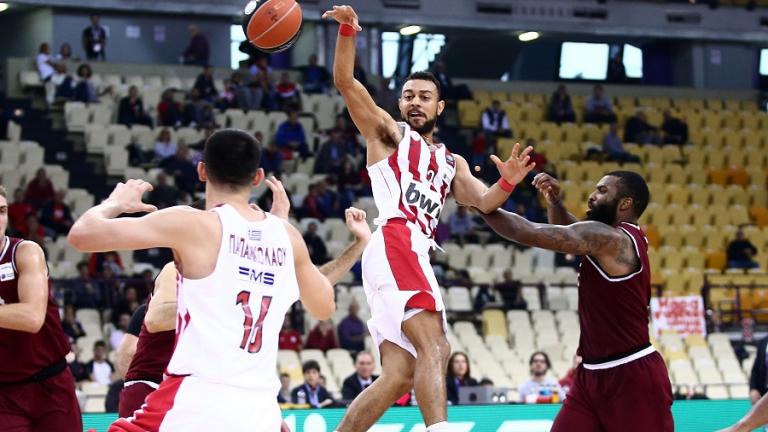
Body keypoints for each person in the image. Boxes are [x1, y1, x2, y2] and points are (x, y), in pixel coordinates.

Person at [324, 5, 534, 431]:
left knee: (399, 373)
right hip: (398, 239)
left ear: (441, 106)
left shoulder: (450, 161)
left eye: (424, 97)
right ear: (399, 103)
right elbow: (345, 83)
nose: (414, 103)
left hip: (404, 253)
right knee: (436, 345)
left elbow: (485, 202)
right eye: (408, 96)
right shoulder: (389, 134)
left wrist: (508, 182)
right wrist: (348, 32)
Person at [68, 135, 371, 430]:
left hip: (197, 399)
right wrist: (282, 232)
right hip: (259, 406)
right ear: (258, 177)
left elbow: (82, 235)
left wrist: (116, 202)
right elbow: (323, 307)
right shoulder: (286, 235)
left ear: (201, 170)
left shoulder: (194, 223)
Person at [480, 171, 673, 431]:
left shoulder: (612, 238)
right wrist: (555, 203)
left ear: (625, 203)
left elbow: (525, 231)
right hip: (590, 375)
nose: (593, 196)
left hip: (631, 375)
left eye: (603, 191)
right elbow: (570, 235)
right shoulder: (607, 239)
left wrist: (479, 199)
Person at [0, 183, 82, 431]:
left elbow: (32, 317)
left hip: (51, 382)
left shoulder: (24, 252)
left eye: (2, 210)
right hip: (5, 394)